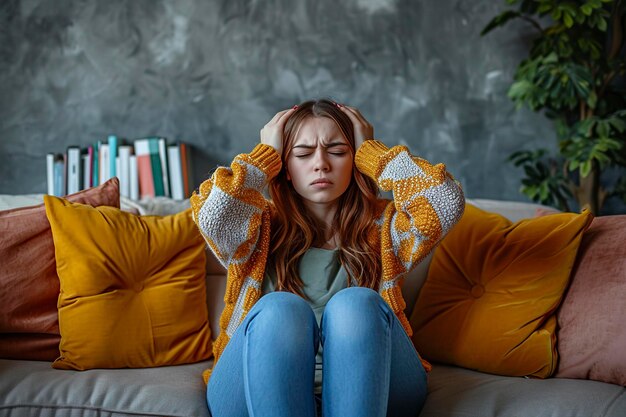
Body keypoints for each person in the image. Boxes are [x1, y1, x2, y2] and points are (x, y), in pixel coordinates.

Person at [190, 98, 465, 417]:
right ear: (285, 167)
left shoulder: (386, 228)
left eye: (337, 151)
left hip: (373, 386)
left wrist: (373, 154)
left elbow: (444, 201)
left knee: (356, 303)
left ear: (355, 161)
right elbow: (212, 216)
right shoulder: (257, 226)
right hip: (257, 384)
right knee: (280, 308)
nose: (321, 163)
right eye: (303, 154)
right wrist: (262, 158)